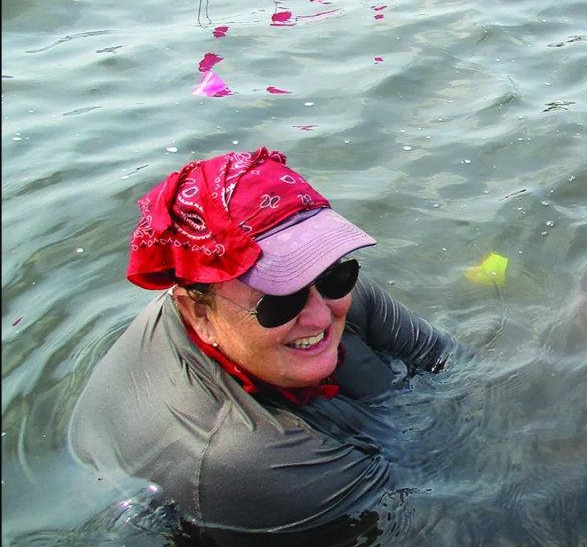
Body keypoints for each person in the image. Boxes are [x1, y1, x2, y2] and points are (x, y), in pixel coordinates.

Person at [69, 147, 456, 538]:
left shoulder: (299, 292)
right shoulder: (248, 460)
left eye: (332, 273)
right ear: (199, 314)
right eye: (280, 299)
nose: (321, 315)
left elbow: (447, 362)